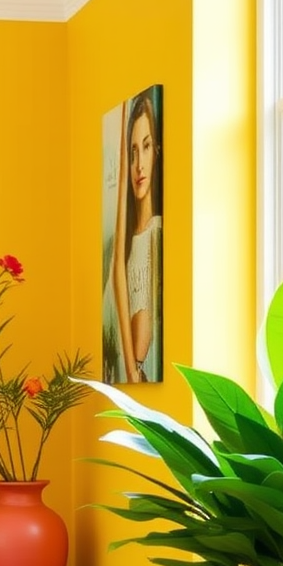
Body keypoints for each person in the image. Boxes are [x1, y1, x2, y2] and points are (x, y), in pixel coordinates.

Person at [112, 89, 162, 382]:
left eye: (145, 147)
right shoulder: (128, 242)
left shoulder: (157, 234)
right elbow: (117, 264)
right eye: (132, 153)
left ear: (156, 151)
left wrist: (132, 372)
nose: (139, 165)